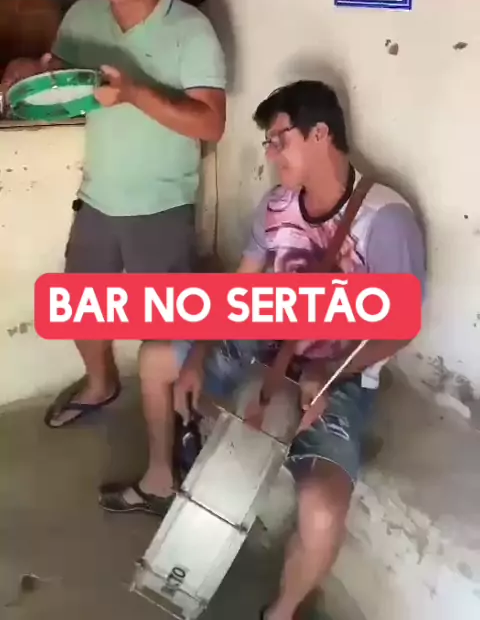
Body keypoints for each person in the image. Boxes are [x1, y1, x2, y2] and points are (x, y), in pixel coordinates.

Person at [99, 79, 425, 620]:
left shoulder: (384, 218)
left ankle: (282, 611)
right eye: (268, 143)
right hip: (259, 340)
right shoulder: (276, 205)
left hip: (337, 372)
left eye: (280, 140)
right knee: (159, 358)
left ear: (320, 134)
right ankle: (159, 480)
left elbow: (400, 323)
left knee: (322, 509)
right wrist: (200, 354)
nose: (271, 155)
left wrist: (328, 370)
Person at [2, 0, 226, 428]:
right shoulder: (83, 16)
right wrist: (28, 73)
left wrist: (133, 93)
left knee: (164, 331)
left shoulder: (191, 29)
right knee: (80, 306)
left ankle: (176, 426)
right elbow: (60, 79)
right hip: (99, 196)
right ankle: (101, 384)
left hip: (162, 202)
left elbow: (210, 124)